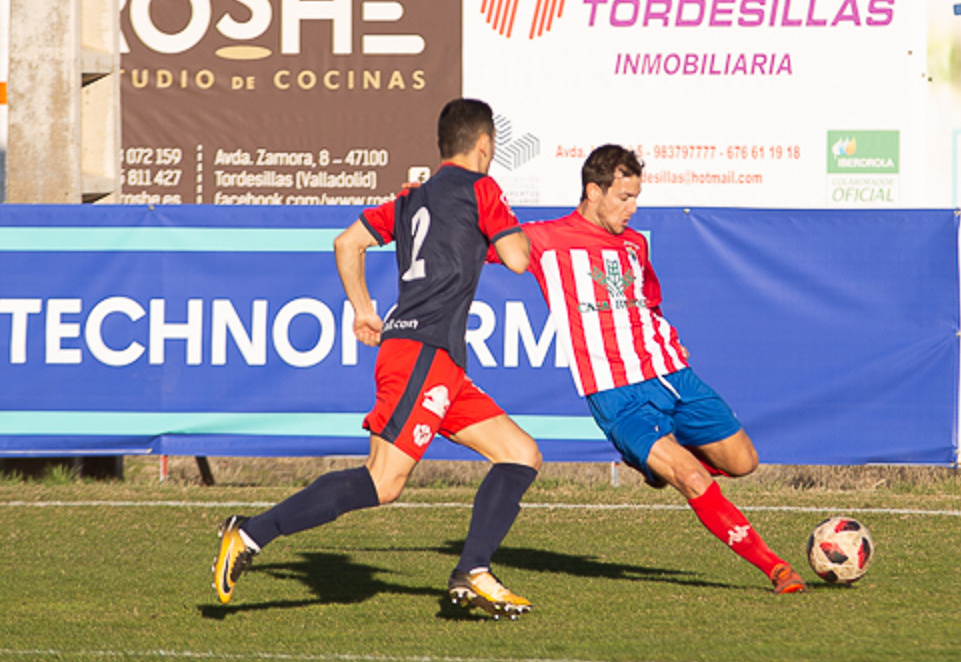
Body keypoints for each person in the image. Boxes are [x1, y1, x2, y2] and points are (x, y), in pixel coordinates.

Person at [213, 97, 544, 618]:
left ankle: (473, 570)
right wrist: (501, 228)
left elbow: (348, 243)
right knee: (382, 482)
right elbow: (518, 258)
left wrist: (364, 311)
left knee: (520, 453)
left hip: (438, 359)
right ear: (485, 146)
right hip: (422, 354)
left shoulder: (413, 198)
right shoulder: (483, 188)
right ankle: (251, 534)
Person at [520, 144, 804, 595]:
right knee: (691, 477)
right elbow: (475, 241)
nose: (632, 209)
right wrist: (422, 206)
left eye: (636, 198)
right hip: (616, 394)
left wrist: (666, 337)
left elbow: (648, 301)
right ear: (593, 192)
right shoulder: (544, 240)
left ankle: (657, 469)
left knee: (744, 462)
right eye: (623, 197)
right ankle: (777, 569)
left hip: (671, 374)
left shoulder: (633, 244)